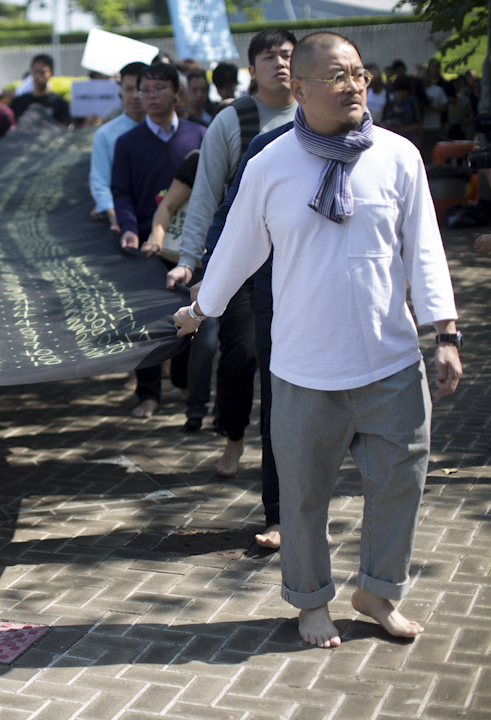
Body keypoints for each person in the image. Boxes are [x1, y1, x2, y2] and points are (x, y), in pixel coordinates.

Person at [175, 31, 462, 648]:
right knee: (304, 499)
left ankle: (378, 593)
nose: (355, 84)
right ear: (298, 89)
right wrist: (202, 306)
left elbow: (426, 249)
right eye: (338, 75)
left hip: (390, 362)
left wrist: (446, 332)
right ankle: (309, 601)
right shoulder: (270, 165)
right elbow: (238, 250)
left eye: (360, 72)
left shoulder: (398, 155)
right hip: (304, 370)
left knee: (402, 485)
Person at [166, 30, 298, 544]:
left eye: (288, 55)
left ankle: (286, 507)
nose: (281, 65)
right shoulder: (235, 122)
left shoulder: (323, 120)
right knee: (241, 357)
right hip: (245, 263)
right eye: (270, 57)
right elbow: (206, 197)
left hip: (301, 270)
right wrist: (193, 262)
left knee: (290, 384)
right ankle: (234, 437)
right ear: (252, 67)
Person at [111, 61, 206, 419]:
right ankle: (149, 394)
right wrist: (129, 227)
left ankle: (184, 381)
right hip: (148, 247)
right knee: (146, 320)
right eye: (143, 90)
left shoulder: (201, 136)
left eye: (158, 89)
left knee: (195, 317)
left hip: (194, 246)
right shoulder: (127, 142)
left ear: (177, 95)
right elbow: (120, 191)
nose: (149, 97)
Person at [89, 62, 146, 231]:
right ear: (120, 91)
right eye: (128, 89)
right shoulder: (105, 135)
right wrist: (115, 217)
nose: (135, 96)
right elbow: (100, 182)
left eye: (139, 89)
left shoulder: (163, 132)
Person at [10, 54, 72, 126]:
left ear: (51, 73)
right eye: (36, 71)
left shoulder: (59, 103)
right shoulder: (18, 102)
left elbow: (64, 128)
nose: (39, 76)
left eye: (43, 72)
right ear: (31, 72)